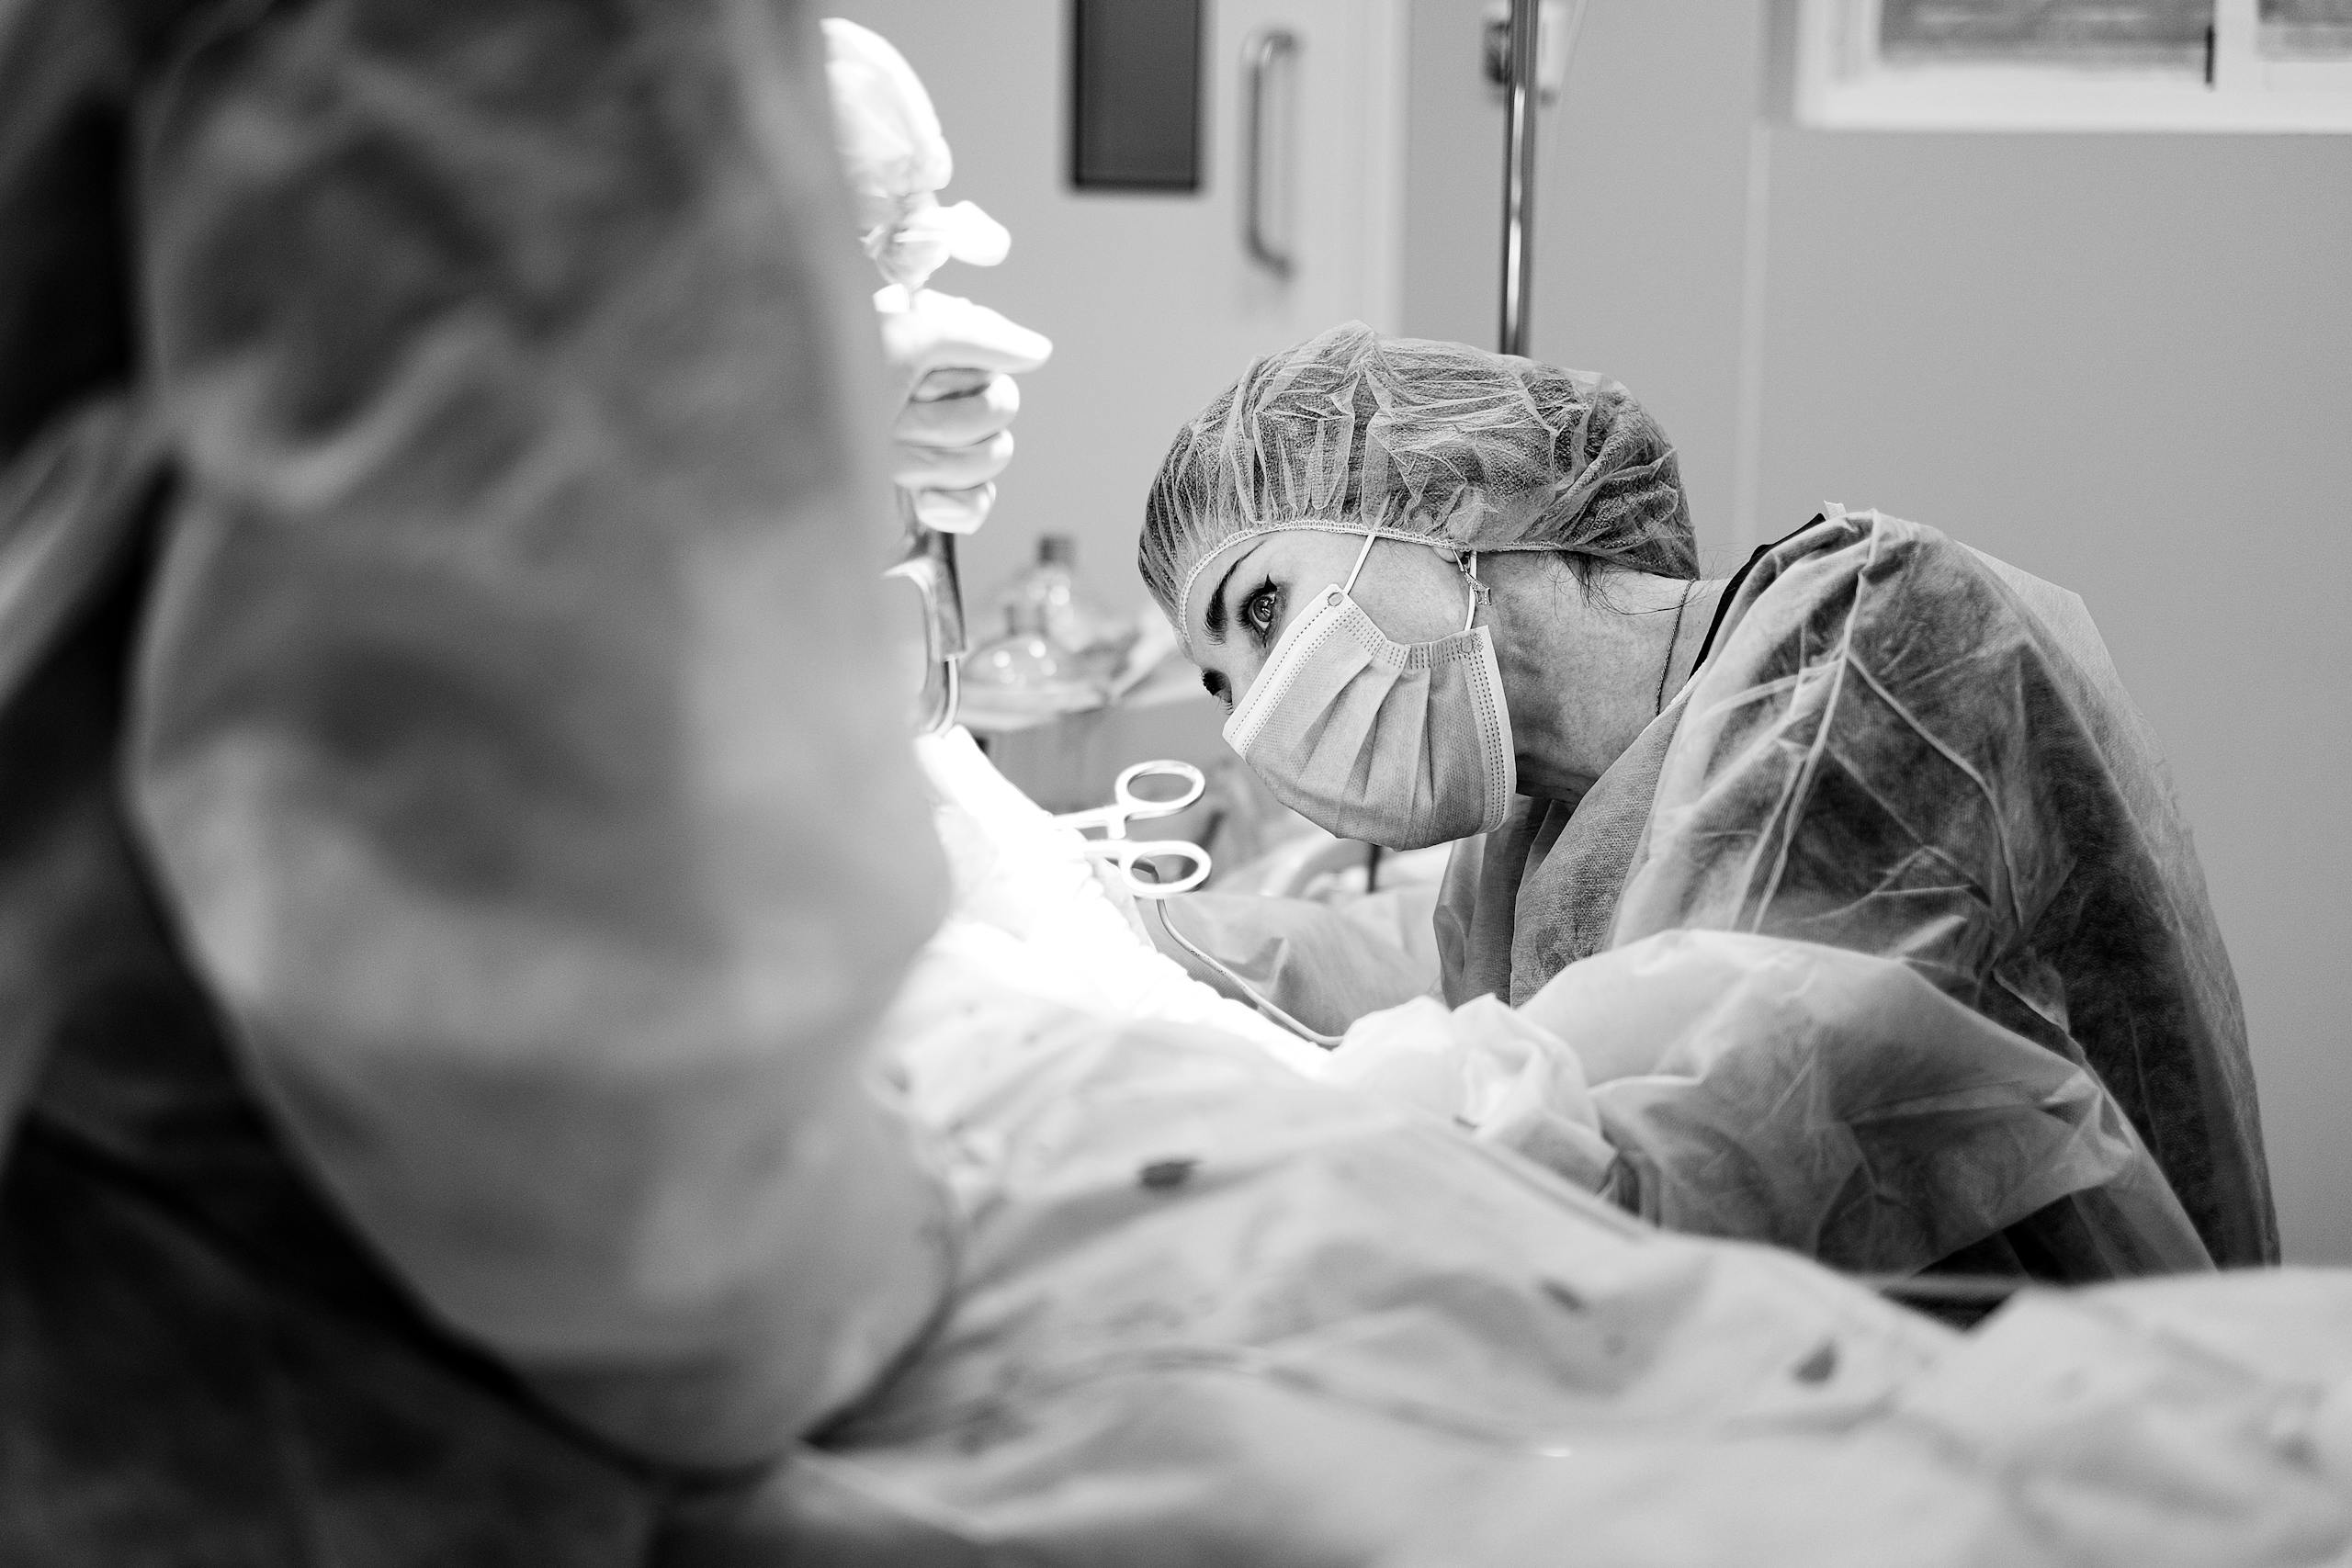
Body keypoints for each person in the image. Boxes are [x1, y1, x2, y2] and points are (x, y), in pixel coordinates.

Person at [0, 0, 1031, 1557]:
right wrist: (845, 1267)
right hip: (292, 1382)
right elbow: (588, 1106)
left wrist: (787, 440)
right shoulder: (512, 51)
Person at [1137, 321, 2276, 1277]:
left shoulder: (1864, 648)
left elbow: (1695, 1131)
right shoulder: (1520, 856)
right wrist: (1117, 930)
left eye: (1268, 610)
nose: (1260, 714)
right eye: (1225, 686)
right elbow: (1422, 995)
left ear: (1459, 492)